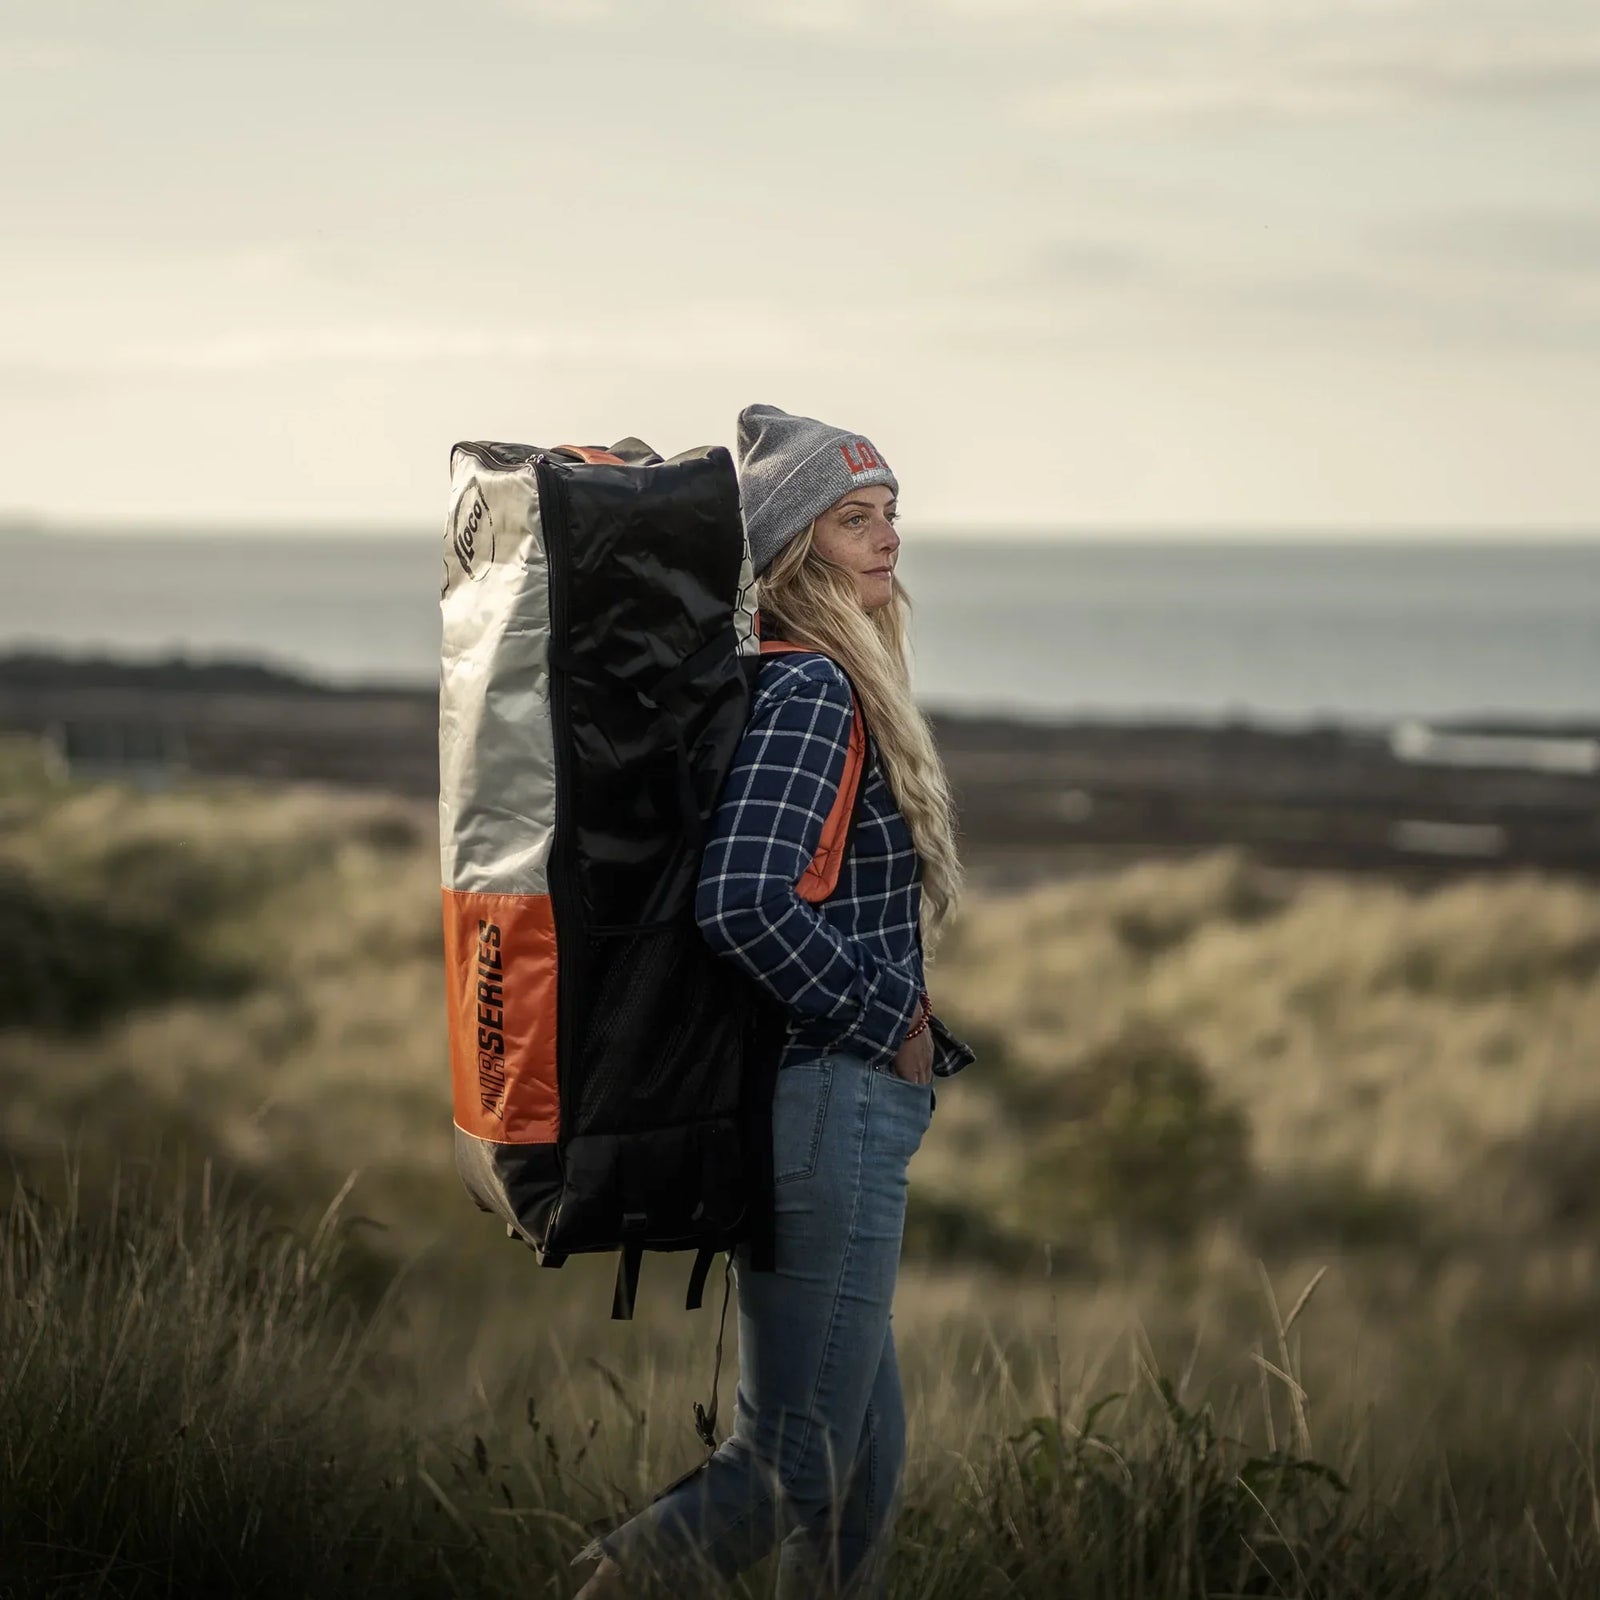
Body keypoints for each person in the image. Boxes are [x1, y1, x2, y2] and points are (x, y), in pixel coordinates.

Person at [575, 403, 974, 1598]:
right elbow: (745, 901)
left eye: (890, 510)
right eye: (854, 519)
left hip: (832, 1104)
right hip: (833, 1105)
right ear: (797, 550)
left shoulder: (808, 676)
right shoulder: (815, 693)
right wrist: (886, 1022)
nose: (887, 535)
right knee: (790, 1463)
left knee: (857, 1478)